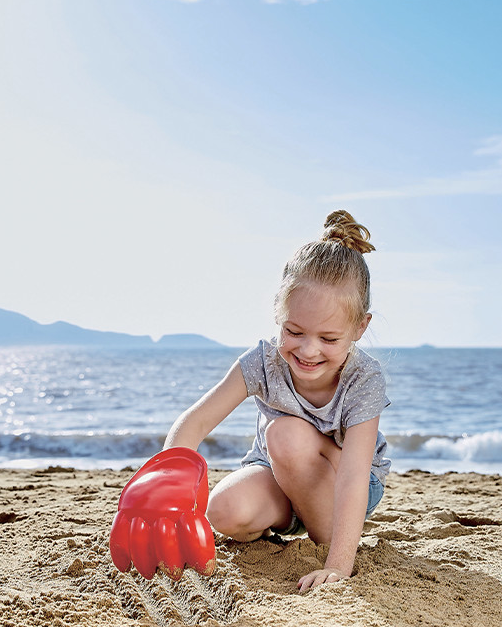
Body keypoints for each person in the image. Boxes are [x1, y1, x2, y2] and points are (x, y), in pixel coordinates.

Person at [163, 210, 390, 593]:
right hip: (279, 473)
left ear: (359, 328)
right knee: (223, 511)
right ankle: (292, 520)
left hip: (347, 483)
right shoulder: (263, 362)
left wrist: (337, 564)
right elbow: (196, 423)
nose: (308, 350)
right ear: (278, 314)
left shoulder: (364, 380)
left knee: (285, 434)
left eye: (329, 339)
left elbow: (353, 475)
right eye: (294, 331)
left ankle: (323, 541)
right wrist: (167, 492)